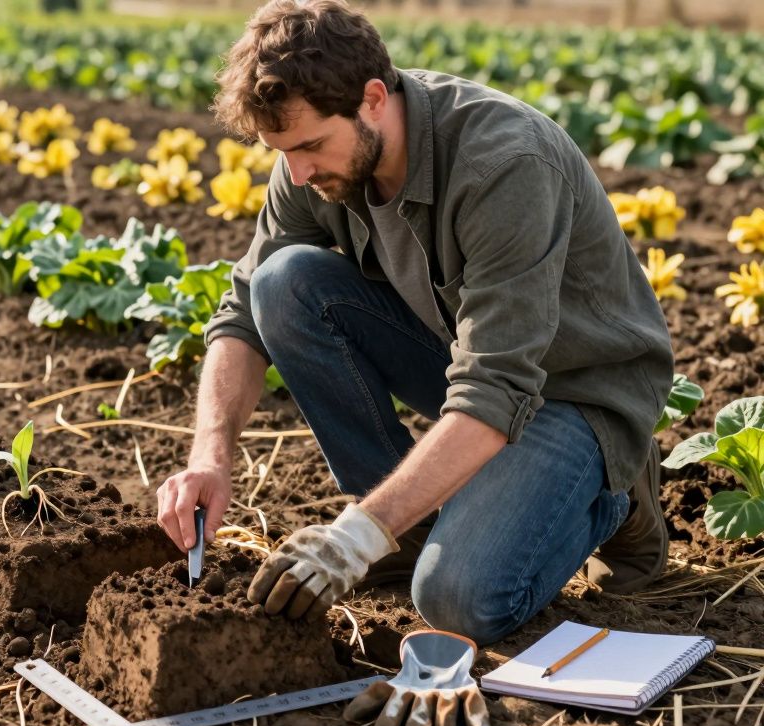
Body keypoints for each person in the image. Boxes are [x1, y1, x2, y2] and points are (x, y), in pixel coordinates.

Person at [153, 0, 674, 645]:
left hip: (575, 389)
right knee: (284, 283)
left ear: (374, 99)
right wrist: (210, 455)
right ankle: (409, 531)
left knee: (457, 601)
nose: (298, 172)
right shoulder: (309, 165)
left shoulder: (504, 164)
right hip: (462, 355)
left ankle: (616, 491)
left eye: (311, 146)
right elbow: (241, 317)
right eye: (282, 152)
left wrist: (354, 536)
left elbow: (496, 386)